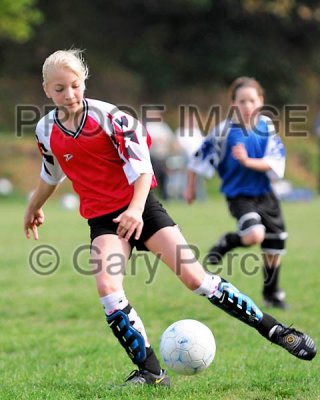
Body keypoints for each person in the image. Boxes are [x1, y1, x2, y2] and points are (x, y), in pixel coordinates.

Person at [24, 51, 316, 388]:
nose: (70, 94)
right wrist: (34, 206)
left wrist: (134, 211)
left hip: (141, 208)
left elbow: (143, 169)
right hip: (104, 219)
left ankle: (277, 331)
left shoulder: (113, 119)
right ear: (47, 90)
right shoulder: (46, 129)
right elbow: (51, 173)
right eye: (60, 89)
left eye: (75, 86)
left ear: (84, 82)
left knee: (197, 281)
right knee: (107, 288)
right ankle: (150, 373)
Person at [185, 77, 292, 309]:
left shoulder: (266, 127)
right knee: (254, 235)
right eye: (242, 101)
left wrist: (248, 161)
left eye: (252, 100)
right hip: (239, 196)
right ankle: (228, 242)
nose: (247, 106)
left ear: (260, 101)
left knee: (274, 247)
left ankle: (271, 293)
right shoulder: (223, 131)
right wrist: (190, 187)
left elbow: (275, 162)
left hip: (266, 195)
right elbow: (197, 159)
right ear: (233, 103)